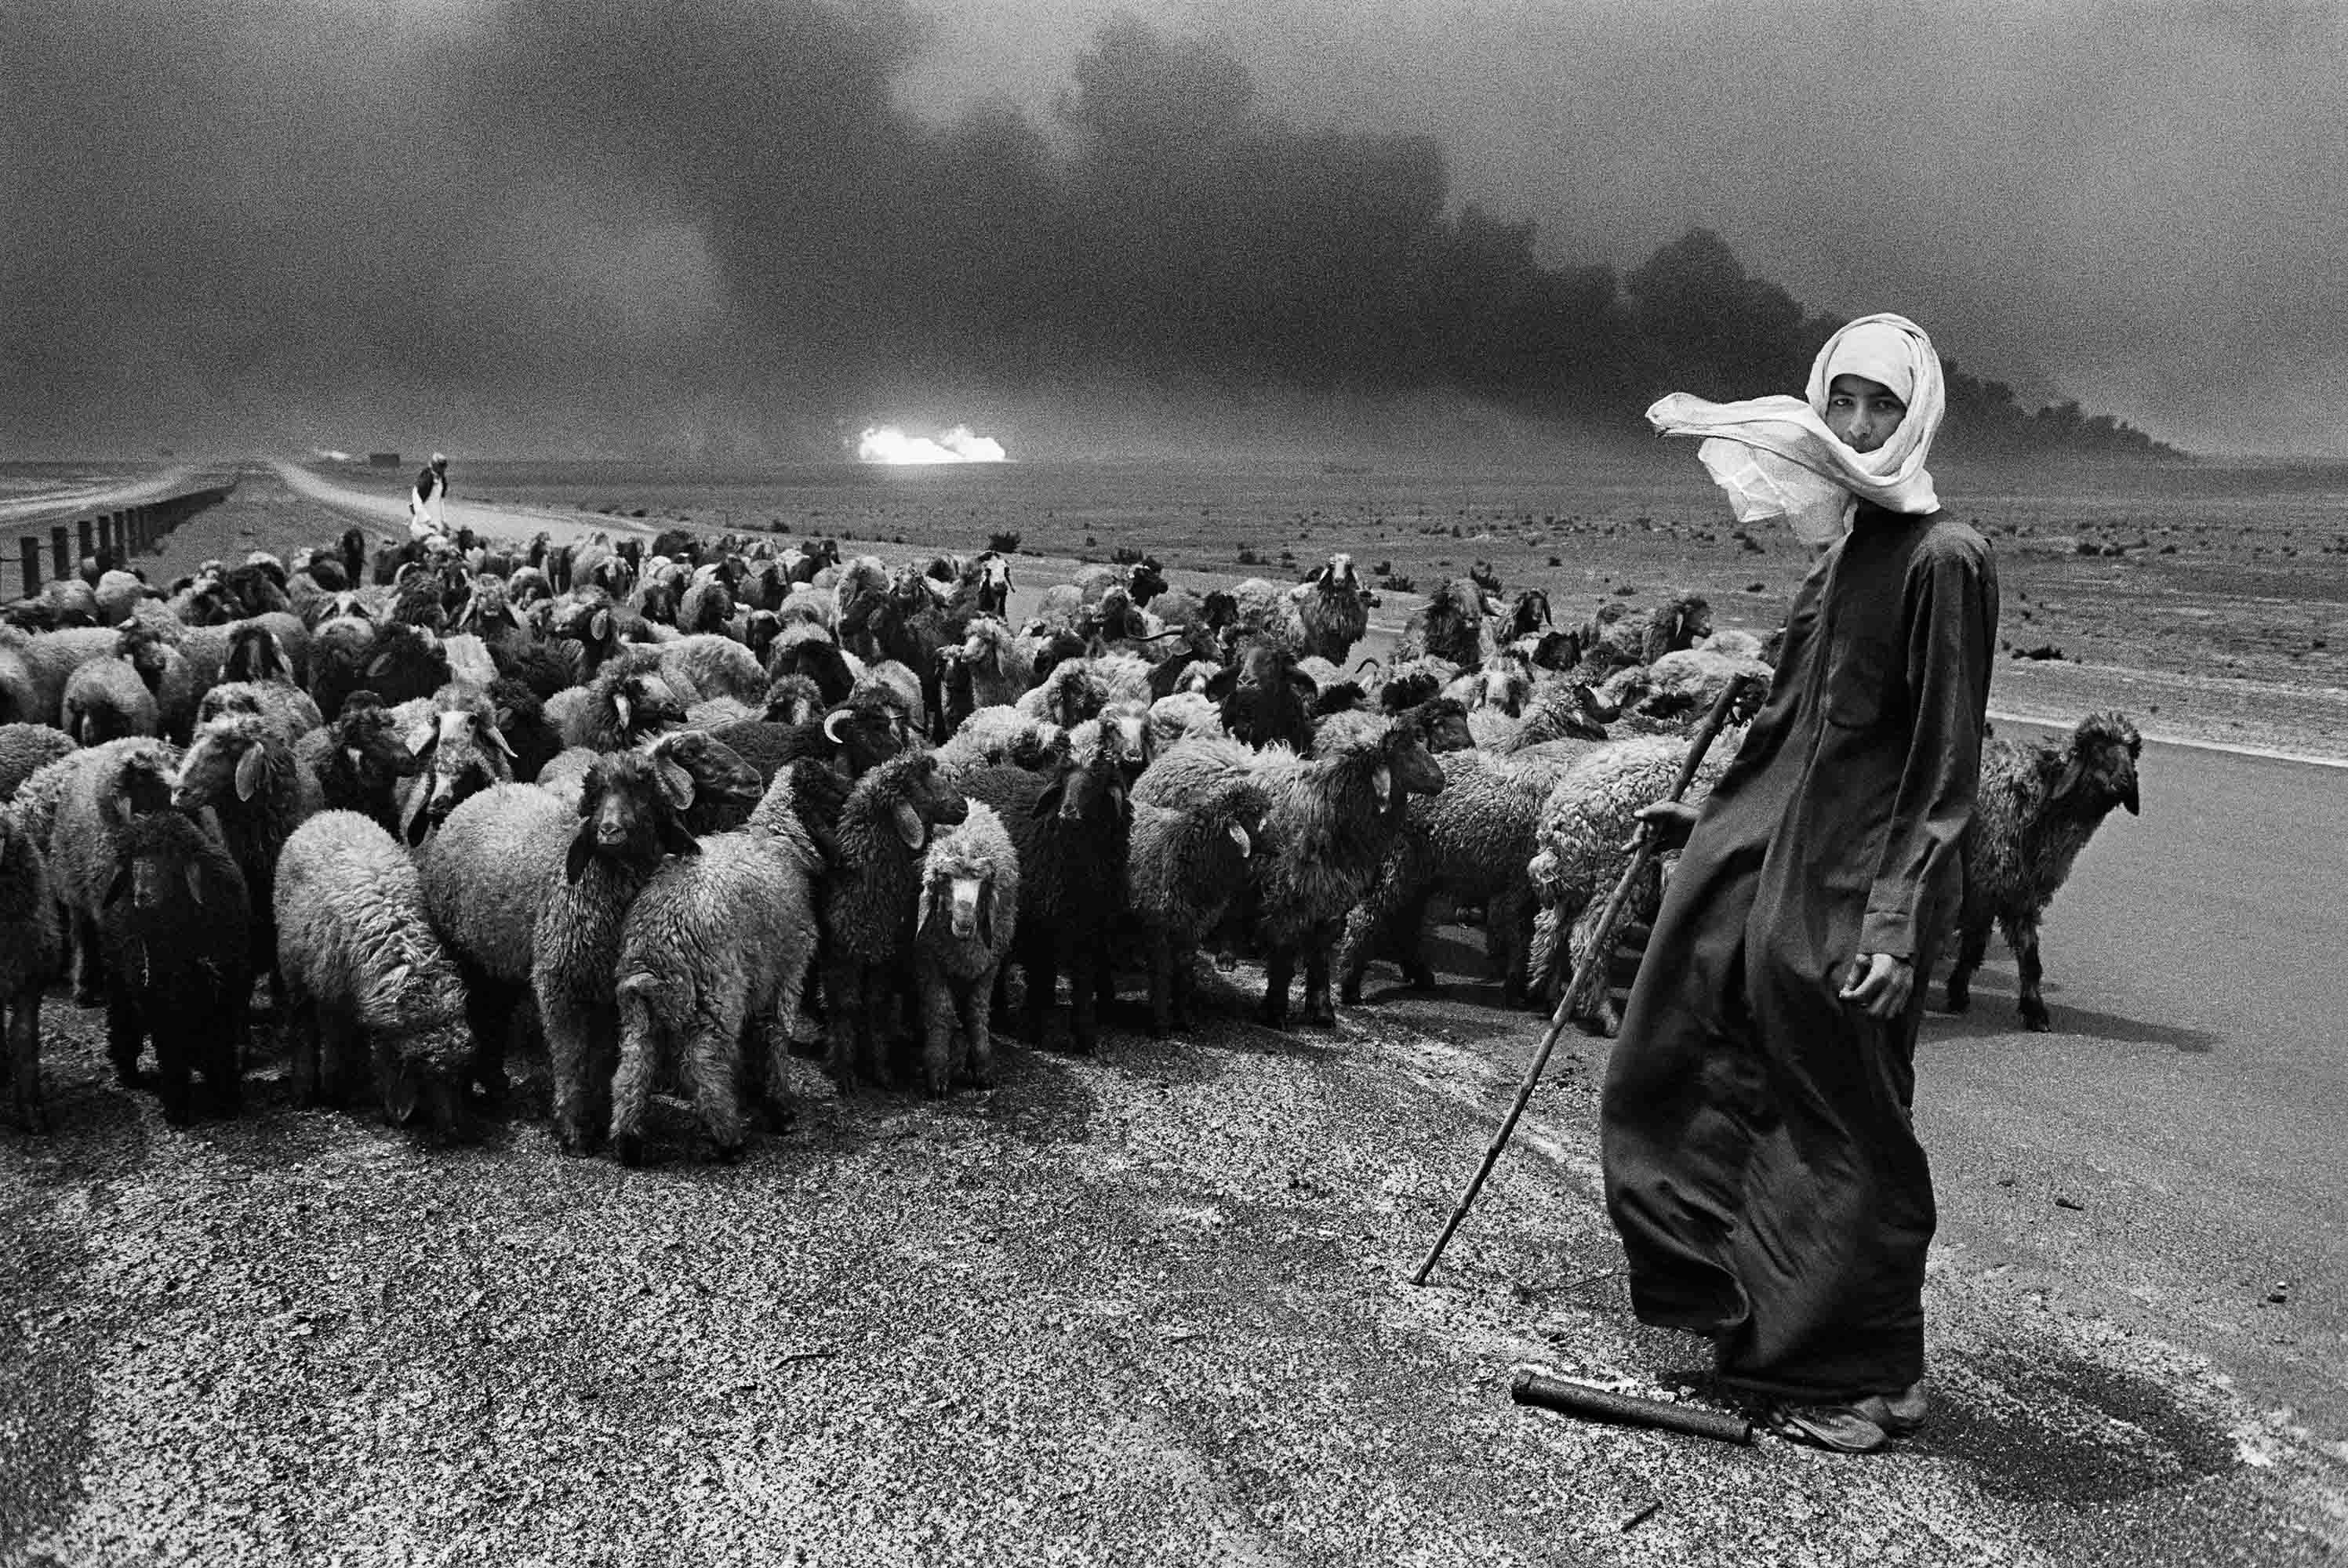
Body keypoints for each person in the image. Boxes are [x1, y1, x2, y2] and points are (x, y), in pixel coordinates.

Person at [1601, 314, 1999, 1454]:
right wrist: (1703, 815)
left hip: (1851, 895)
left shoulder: (1943, 559)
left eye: (1882, 405)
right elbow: (1788, 728)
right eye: (1844, 404)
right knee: (1679, 1069)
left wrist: (1895, 918)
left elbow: (1941, 758)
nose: (1861, 427)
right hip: (1772, 872)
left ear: (1916, 413)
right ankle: (1771, 1328)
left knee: (1849, 1131)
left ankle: (1876, 1378)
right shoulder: (1839, 563)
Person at [409, 452, 449, 539]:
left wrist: (443, 520)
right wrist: (427, 521)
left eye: (444, 467)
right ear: (435, 466)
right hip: (422, 525)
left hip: (434, 522)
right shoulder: (426, 477)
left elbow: (440, 500)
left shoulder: (442, 479)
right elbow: (417, 498)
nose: (443, 470)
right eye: (442, 467)